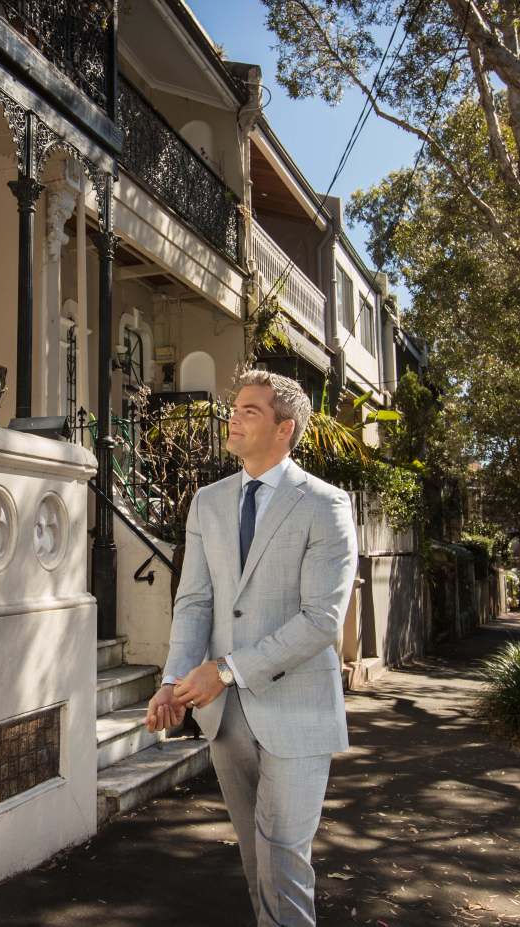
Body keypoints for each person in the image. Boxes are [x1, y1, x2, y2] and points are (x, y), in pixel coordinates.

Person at [146, 369, 358, 927]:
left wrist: (228, 668)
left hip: (297, 708)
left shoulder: (325, 505)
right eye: (234, 408)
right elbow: (194, 602)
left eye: (249, 411)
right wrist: (172, 681)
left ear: (284, 428)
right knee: (254, 854)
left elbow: (321, 620)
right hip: (226, 718)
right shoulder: (209, 502)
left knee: (283, 853)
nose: (233, 418)